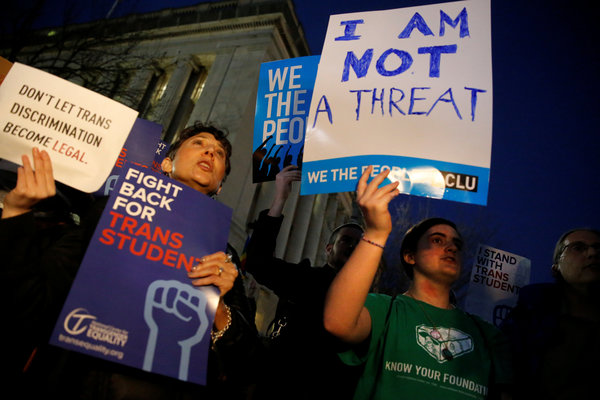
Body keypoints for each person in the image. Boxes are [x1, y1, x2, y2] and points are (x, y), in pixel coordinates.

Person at [0, 123, 258, 399]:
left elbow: (247, 366)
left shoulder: (224, 256)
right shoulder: (109, 211)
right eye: (199, 143)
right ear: (167, 164)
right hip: (71, 381)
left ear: (220, 186)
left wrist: (217, 307)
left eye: (219, 153)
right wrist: (16, 213)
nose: (210, 151)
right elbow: (31, 302)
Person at [323, 166, 513, 400]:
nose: (451, 247)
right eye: (436, 240)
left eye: (456, 244)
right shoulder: (385, 311)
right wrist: (376, 233)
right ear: (410, 256)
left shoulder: (487, 335)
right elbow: (337, 322)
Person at [244, 165, 364, 399]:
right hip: (283, 385)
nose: (353, 247)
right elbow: (258, 262)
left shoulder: (369, 302)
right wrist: (280, 198)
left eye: (360, 244)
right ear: (329, 249)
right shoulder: (305, 278)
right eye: (347, 241)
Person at [500, 228, 600, 400]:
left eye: (598, 248)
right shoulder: (530, 315)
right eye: (578, 247)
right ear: (556, 267)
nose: (592, 253)